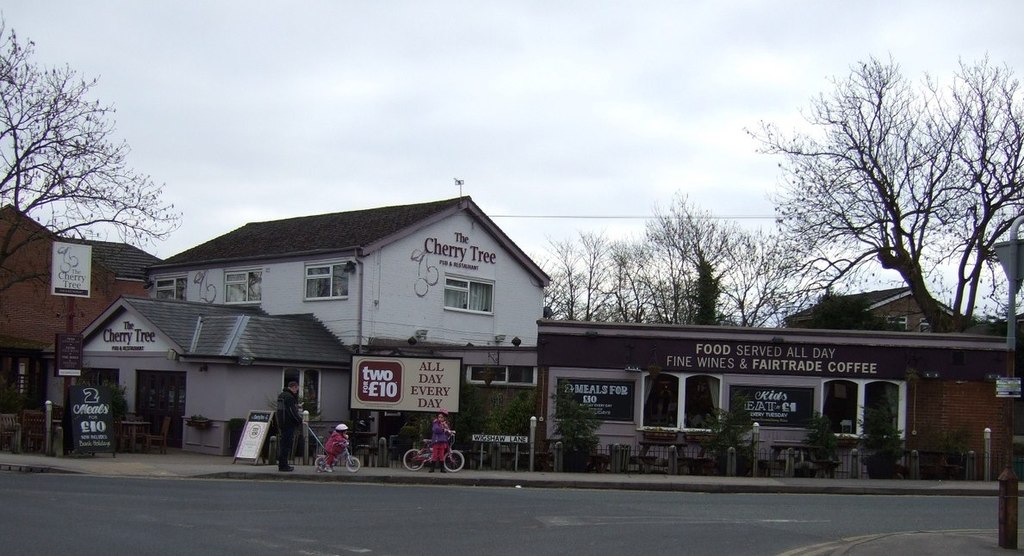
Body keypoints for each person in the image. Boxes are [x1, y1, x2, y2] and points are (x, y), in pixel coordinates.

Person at [276, 381, 303, 472]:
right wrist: (299, 420)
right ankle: (284, 465)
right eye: (296, 389)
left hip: (282, 422)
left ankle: (282, 464)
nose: (297, 391)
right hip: (288, 423)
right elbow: (291, 411)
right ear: (294, 387)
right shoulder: (289, 397)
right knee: (286, 445)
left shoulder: (281, 395)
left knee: (283, 444)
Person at [429, 409, 453, 473]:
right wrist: (443, 429)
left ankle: (442, 469)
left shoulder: (445, 424)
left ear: (444, 418)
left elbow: (448, 431)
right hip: (436, 441)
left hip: (443, 441)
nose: (440, 418)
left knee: (441, 455)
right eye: (439, 417)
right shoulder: (435, 423)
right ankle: (432, 468)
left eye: (441, 417)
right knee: (435, 455)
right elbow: (435, 429)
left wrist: (448, 430)